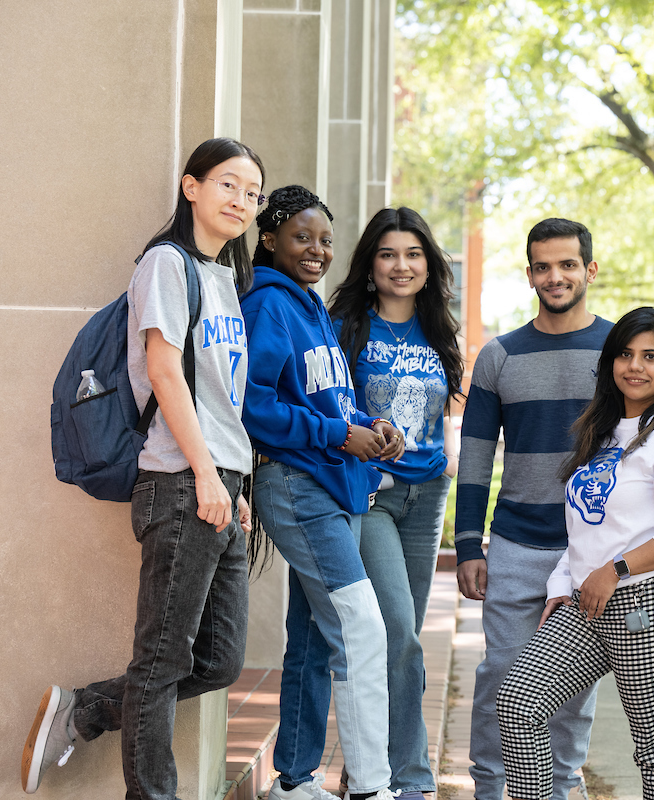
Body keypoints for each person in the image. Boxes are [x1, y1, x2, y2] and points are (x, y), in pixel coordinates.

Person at [21, 137, 264, 799]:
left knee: (216, 659)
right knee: (160, 662)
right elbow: (163, 369)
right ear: (191, 188)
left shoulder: (222, 277)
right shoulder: (166, 262)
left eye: (252, 192)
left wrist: (233, 480)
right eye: (228, 185)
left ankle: (90, 708)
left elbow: (218, 391)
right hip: (181, 481)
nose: (241, 200)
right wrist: (207, 473)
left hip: (221, 484)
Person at [497, 307, 654, 800]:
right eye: (625, 353)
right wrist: (562, 587)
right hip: (589, 597)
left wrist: (614, 569)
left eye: (650, 356)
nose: (635, 366)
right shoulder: (602, 431)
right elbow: (586, 527)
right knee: (518, 702)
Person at [239, 185, 403, 800]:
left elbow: (330, 395)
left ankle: (294, 781)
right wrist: (340, 434)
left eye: (326, 240)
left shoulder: (309, 308)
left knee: (312, 636)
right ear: (270, 239)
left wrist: (370, 427)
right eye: (302, 237)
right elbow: (252, 407)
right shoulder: (268, 305)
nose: (316, 250)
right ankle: (369, 786)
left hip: (336, 484)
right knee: (361, 626)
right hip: (298, 484)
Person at [455, 218, 610, 800]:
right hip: (518, 544)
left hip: (591, 548)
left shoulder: (621, 350)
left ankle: (561, 790)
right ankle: (491, 791)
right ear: (529, 275)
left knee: (570, 688)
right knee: (502, 677)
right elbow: (474, 458)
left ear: (589, 270)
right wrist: (469, 545)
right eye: (543, 266)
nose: (556, 276)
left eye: (568, 264)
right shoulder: (499, 355)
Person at [326, 207, 464, 799]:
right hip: (372, 495)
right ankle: (408, 778)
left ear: (429, 265)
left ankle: (372, 771)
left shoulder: (441, 332)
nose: (401, 265)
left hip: (428, 496)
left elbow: (445, 416)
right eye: (387, 254)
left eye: (413, 254)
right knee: (399, 633)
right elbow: (327, 403)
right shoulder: (347, 326)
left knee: (397, 641)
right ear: (370, 265)